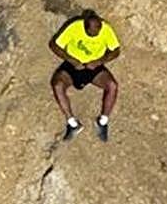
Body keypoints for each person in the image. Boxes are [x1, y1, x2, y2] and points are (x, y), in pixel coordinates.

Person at [49, 9, 120, 142]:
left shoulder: (106, 29)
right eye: (91, 34)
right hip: (73, 66)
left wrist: (99, 61)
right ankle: (72, 123)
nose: (95, 36)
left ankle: (103, 122)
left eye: (97, 32)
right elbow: (54, 45)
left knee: (112, 85)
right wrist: (72, 60)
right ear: (85, 27)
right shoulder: (75, 27)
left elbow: (116, 51)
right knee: (58, 84)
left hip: (93, 66)